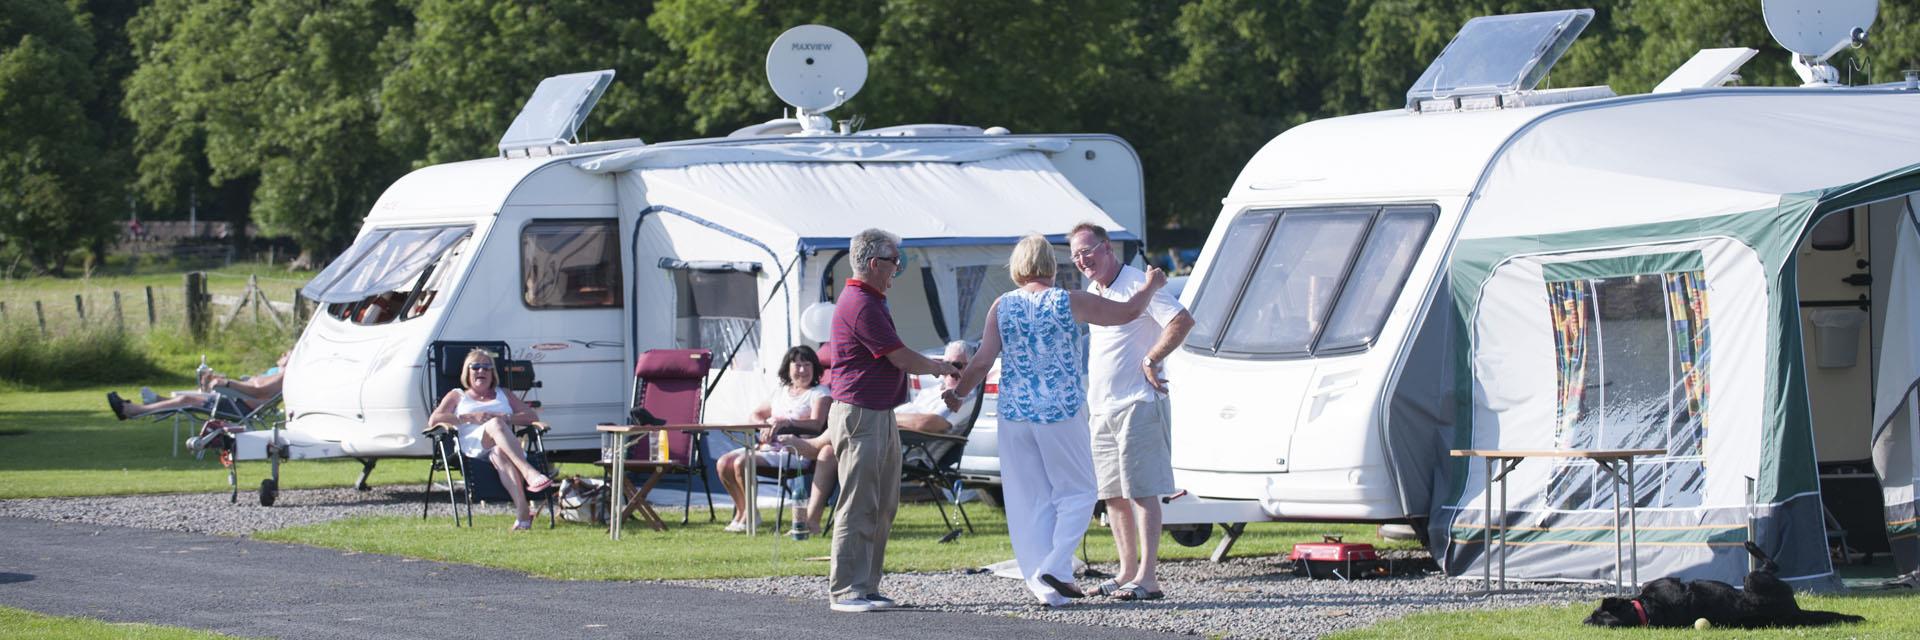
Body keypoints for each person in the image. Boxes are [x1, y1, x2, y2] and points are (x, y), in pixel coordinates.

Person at [953, 233, 1165, 608]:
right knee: (1080, 492)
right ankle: (1057, 567)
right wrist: (1151, 285)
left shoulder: (1002, 306)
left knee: (1030, 500)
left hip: (1015, 415)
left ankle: (1047, 588)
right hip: (1059, 410)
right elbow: (1129, 312)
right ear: (1051, 265)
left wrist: (957, 395)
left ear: (1017, 266)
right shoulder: (1069, 301)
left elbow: (983, 361)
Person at [822, 228, 958, 613]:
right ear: (872, 263)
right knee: (859, 502)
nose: (897, 268)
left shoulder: (872, 300)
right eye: (893, 261)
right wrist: (939, 366)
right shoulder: (861, 303)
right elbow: (898, 356)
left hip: (878, 412)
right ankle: (846, 590)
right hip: (860, 412)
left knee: (883, 503)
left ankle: (866, 586)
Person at [1069, 222, 1193, 601]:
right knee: (1113, 495)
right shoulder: (1094, 289)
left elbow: (1182, 320)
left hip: (1138, 402)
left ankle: (1148, 577)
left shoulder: (1139, 282)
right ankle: (1125, 571)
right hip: (1103, 405)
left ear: (1108, 248)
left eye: (1088, 250)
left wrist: (1153, 358)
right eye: (1075, 255)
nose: (1082, 260)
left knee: (1142, 491)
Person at [783, 340, 977, 540]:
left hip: (913, 451)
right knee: (830, 451)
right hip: (895, 438)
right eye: (947, 365)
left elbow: (930, 422)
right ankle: (811, 522)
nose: (951, 371)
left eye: (958, 366)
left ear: (971, 368)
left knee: (857, 419)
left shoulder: (965, 397)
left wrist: (884, 417)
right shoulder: (931, 392)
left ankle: (812, 445)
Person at [426, 348, 552, 531]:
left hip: (505, 448)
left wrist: (506, 417)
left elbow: (531, 416)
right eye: (475, 366)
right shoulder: (457, 395)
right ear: (467, 372)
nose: (481, 371)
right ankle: (529, 473)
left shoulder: (504, 393)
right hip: (473, 446)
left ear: (492, 373)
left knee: (499, 449)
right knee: (495, 424)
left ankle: (523, 514)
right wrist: (469, 417)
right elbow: (434, 420)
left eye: (486, 367)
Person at [715, 345, 830, 533]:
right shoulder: (781, 391)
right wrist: (765, 427)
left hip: (796, 450)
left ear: (815, 368)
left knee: (742, 462)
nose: (802, 370)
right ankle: (744, 511)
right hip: (768, 447)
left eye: (807, 365)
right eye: (797, 365)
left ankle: (749, 516)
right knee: (723, 463)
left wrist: (786, 422)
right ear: (788, 368)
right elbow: (755, 414)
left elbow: (816, 424)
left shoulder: (820, 393)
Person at [107, 351, 290, 421]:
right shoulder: (275, 372)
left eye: (289, 352)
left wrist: (227, 383)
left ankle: (133, 411)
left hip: (241, 408)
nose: (284, 352)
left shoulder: (284, 376)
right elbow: (251, 386)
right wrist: (222, 381)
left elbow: (259, 392)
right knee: (191, 395)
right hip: (235, 400)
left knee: (187, 399)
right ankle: (155, 403)